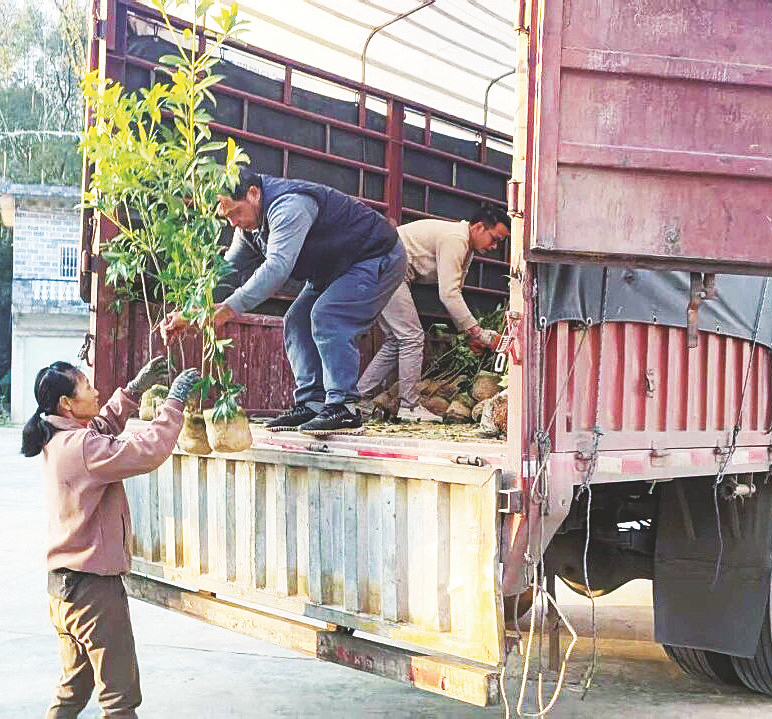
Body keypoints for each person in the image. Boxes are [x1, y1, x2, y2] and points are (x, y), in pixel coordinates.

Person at [161, 168, 407, 436]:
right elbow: (226, 271)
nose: (232, 222)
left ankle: (344, 408)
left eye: (235, 212)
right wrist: (189, 312)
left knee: (328, 316)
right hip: (332, 268)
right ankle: (312, 402)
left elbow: (277, 268)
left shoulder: (289, 206)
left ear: (254, 194)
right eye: (226, 216)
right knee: (296, 321)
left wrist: (230, 309)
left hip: (374, 256)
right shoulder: (248, 227)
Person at [22, 357, 200, 719]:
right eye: (86, 386)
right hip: (93, 594)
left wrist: (132, 391)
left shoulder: (58, 438)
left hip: (63, 593)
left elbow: (98, 429)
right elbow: (145, 450)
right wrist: (174, 403)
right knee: (120, 700)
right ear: (66, 404)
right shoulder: (82, 447)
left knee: (72, 692)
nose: (96, 390)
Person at [357, 204, 510, 416]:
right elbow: (448, 294)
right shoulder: (456, 239)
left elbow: (455, 291)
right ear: (479, 228)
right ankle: (409, 407)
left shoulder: (466, 246)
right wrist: (480, 334)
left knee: (396, 339)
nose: (495, 247)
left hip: (386, 269)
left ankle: (358, 398)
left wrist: (469, 334)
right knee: (411, 337)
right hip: (385, 268)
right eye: (495, 239)